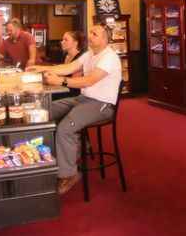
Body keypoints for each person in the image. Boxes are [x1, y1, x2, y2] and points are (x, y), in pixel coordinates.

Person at [28, 24, 122, 195]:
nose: (90, 35)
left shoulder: (109, 57)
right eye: (90, 32)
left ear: (105, 39)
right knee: (44, 110)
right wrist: (43, 68)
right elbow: (69, 68)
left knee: (65, 128)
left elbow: (89, 80)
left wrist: (61, 82)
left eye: (95, 34)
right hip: (84, 99)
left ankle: (69, 174)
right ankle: (48, 161)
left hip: (102, 104)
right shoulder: (90, 54)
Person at [54, 30, 86, 99]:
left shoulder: (80, 58)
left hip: (73, 93)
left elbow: (74, 82)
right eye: (62, 40)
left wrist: (56, 78)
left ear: (75, 43)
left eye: (66, 40)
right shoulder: (65, 56)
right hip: (62, 88)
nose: (62, 42)